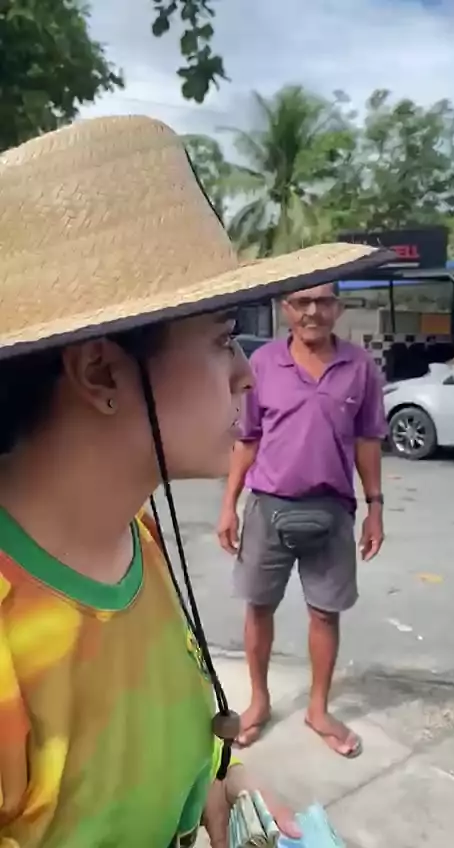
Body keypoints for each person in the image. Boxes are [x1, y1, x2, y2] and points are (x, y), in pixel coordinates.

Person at [0, 115, 389, 847]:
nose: (246, 373)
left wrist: (222, 781)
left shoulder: (136, 534)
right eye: (221, 339)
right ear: (100, 371)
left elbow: (156, 740)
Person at [218, 282, 387, 757]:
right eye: (302, 302)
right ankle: (259, 702)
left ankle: (318, 709)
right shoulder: (263, 365)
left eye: (323, 301)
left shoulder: (360, 367)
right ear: (285, 308)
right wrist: (229, 504)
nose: (313, 311)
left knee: (325, 613)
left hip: (332, 512)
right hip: (268, 509)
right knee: (258, 607)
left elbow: (368, 441)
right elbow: (248, 439)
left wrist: (375, 507)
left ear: (339, 307)